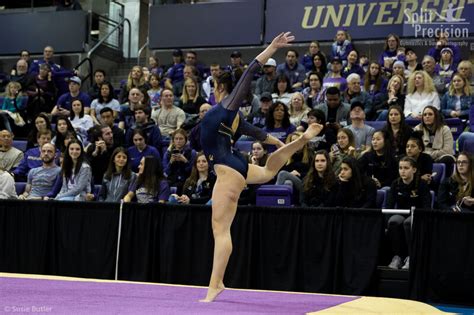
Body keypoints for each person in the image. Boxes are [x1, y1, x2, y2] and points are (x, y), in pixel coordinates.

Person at [199, 32, 324, 302]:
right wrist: (277, 141)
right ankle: (299, 142)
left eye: (214, 87)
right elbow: (254, 131)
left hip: (226, 171)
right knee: (268, 171)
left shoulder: (225, 108)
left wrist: (271, 48)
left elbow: (250, 72)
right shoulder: (233, 118)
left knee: (221, 230)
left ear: (220, 89)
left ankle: (213, 287)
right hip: (238, 166)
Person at [386, 156, 431, 270]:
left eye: (406, 168)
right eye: (400, 168)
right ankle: (398, 257)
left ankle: (412, 256)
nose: (402, 171)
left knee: (408, 222)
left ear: (414, 170)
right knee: (393, 221)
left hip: (418, 216)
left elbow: (426, 207)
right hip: (401, 214)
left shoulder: (422, 184)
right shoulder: (395, 184)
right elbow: (389, 207)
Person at [414, 106, 455, 176]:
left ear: (436, 116)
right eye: (425, 115)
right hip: (424, 159)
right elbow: (415, 149)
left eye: (430, 114)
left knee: (448, 159)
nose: (427, 116)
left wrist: (428, 155)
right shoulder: (417, 129)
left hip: (441, 158)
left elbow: (447, 151)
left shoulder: (445, 129)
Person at [275, 132, 313, 205]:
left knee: (283, 173)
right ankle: (289, 205)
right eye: (293, 141)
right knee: (288, 182)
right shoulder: (286, 155)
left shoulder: (309, 153)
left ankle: (275, 199)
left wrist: (299, 174)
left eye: (298, 140)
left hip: (304, 182)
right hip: (290, 182)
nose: (296, 143)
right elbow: (277, 175)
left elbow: (312, 172)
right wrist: (290, 175)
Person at [162, 128, 196, 194]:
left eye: (181, 139)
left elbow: (193, 172)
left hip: (186, 182)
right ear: (173, 141)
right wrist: (171, 162)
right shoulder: (167, 154)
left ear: (185, 140)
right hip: (171, 182)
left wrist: (185, 161)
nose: (178, 141)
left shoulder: (192, 153)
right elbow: (165, 173)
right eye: (176, 139)